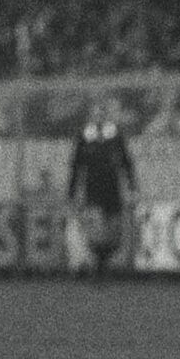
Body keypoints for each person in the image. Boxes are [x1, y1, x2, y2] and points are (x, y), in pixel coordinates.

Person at [65, 100, 138, 276]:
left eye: (101, 113)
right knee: (96, 226)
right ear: (91, 116)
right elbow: (76, 165)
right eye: (95, 113)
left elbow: (126, 162)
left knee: (113, 228)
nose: (98, 117)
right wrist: (72, 190)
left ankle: (106, 262)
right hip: (93, 189)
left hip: (112, 188)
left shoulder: (115, 135)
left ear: (105, 116)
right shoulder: (84, 136)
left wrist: (132, 185)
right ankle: (97, 263)